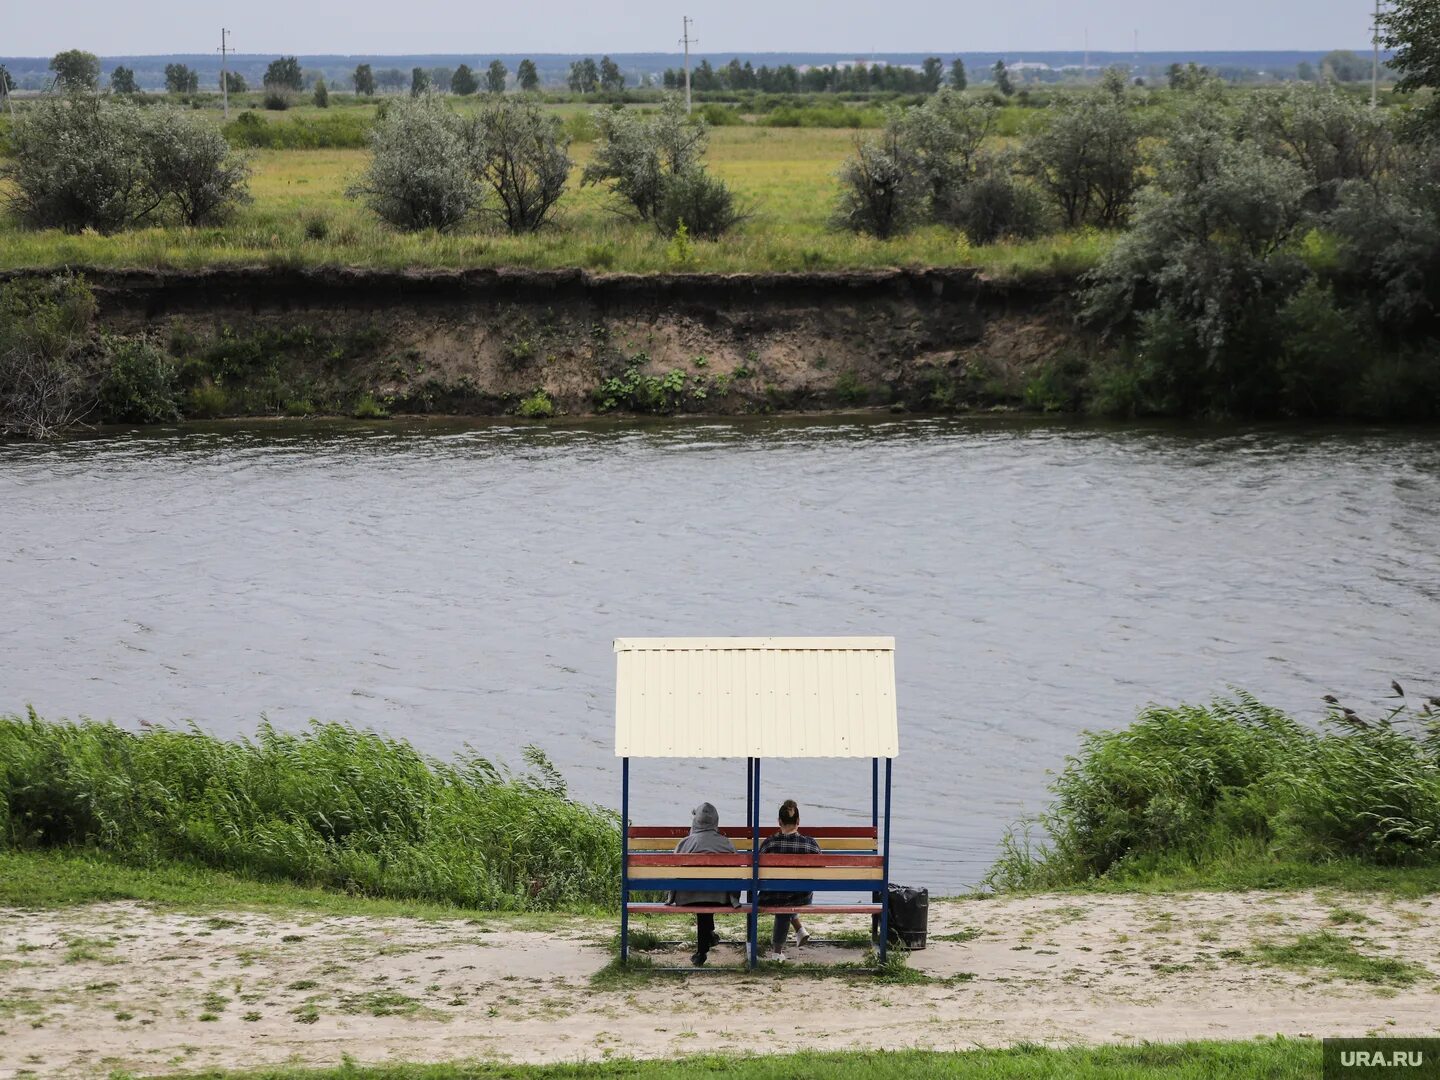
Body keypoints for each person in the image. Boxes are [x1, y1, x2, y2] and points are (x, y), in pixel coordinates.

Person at [669, 801, 738, 967]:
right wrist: (734, 896)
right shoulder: (726, 843)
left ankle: (703, 949)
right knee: (709, 892)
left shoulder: (684, 843)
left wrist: (671, 896)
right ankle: (706, 941)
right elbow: (736, 872)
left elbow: (674, 872)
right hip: (721, 896)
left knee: (701, 893)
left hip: (688, 896)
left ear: (696, 821)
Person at [757, 799, 821, 962]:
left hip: (771, 896)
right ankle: (797, 932)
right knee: (788, 896)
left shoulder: (769, 843)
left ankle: (778, 951)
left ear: (779, 822)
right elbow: (819, 871)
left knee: (782, 896)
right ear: (798, 821)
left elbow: (758, 873)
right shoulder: (810, 845)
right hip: (802, 897)